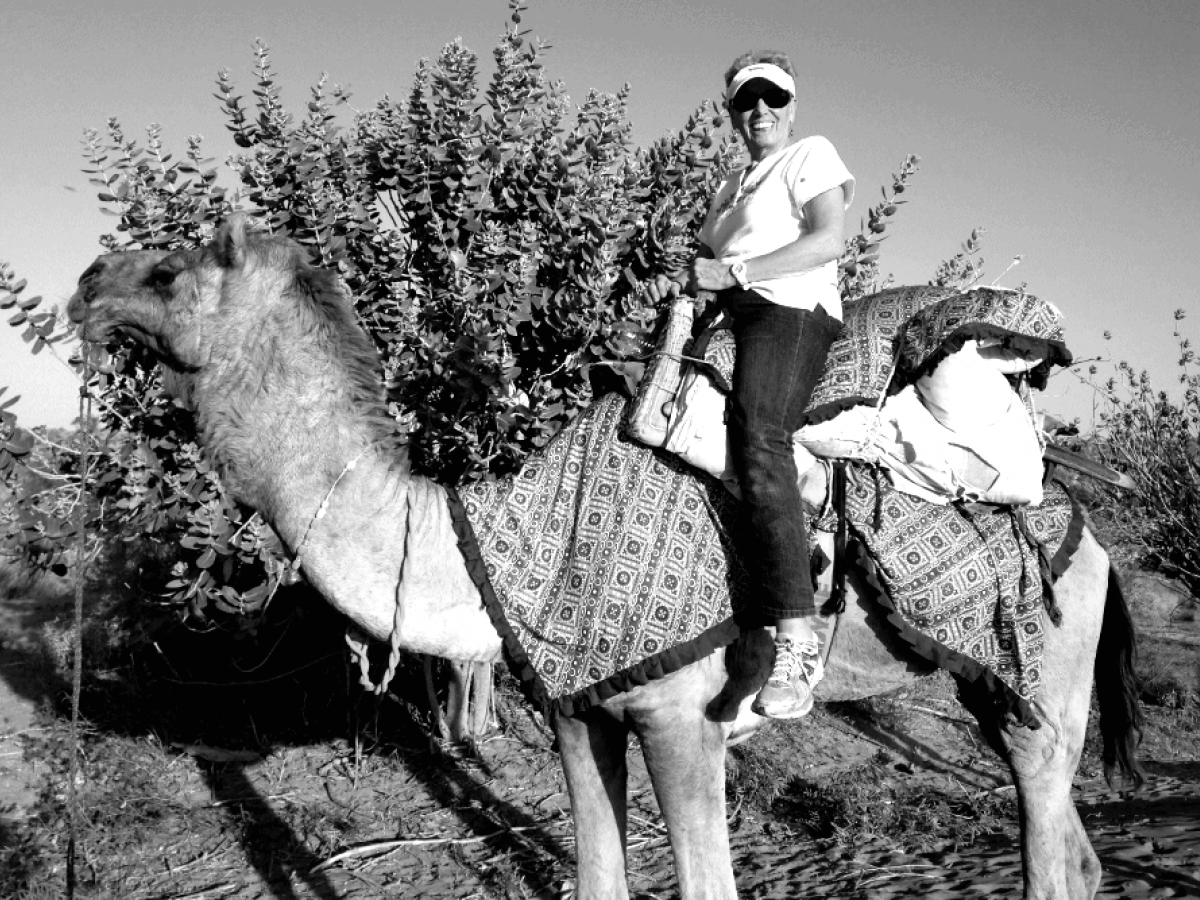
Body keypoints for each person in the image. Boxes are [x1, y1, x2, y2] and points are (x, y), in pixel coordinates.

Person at [647, 51, 854, 719]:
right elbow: (709, 265)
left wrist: (734, 275)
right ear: (733, 114)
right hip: (731, 313)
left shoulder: (810, 155)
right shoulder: (729, 186)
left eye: (772, 97)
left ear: (791, 108)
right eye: (746, 101)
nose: (759, 110)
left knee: (759, 431)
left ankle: (796, 634)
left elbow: (827, 243)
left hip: (787, 309)